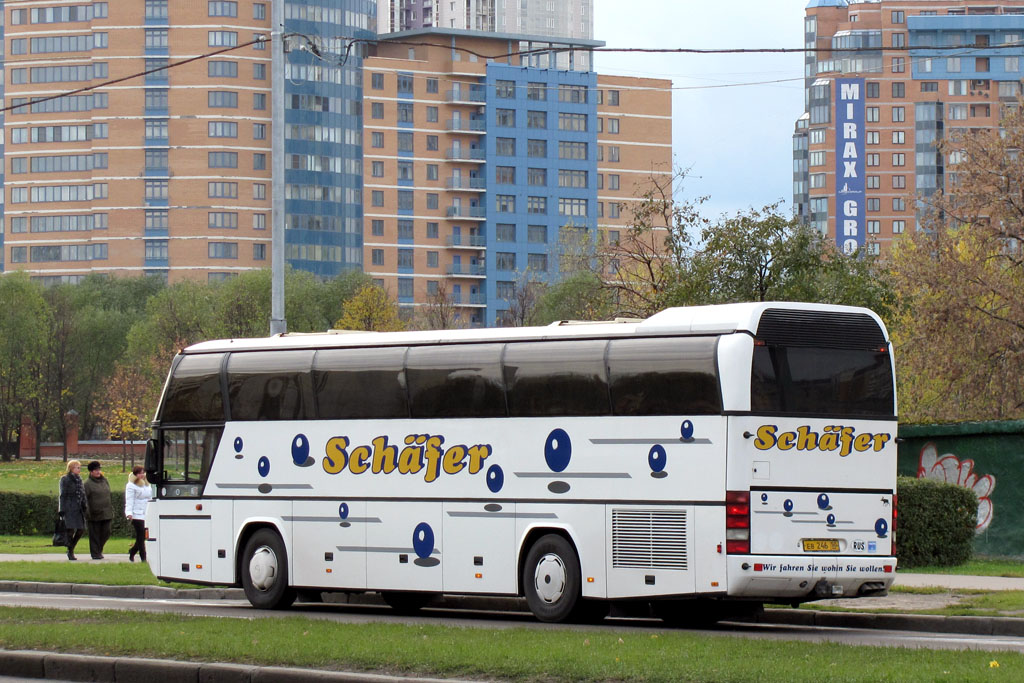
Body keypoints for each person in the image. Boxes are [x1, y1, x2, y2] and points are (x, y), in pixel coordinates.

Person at [58, 460, 88, 561]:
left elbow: (82, 494)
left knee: (81, 529)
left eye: (79, 467)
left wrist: (84, 505)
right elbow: (62, 495)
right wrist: (61, 509)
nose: (79, 469)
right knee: (70, 529)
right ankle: (70, 551)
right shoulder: (65, 479)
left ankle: (71, 547)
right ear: (71, 468)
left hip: (78, 508)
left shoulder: (79, 480)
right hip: (69, 507)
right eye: (77, 467)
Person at [83, 461, 113, 560]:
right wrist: (87, 512)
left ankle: (99, 549)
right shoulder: (87, 484)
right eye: (96, 470)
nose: (98, 472)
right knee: (94, 535)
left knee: (106, 532)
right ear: (91, 472)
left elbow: (109, 495)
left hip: (106, 512)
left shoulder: (105, 481)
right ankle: (95, 553)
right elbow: (85, 499)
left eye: (99, 469)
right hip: (94, 514)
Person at [124, 465, 153, 562]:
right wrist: (129, 513)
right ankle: (143, 557)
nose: (142, 475)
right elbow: (129, 500)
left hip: (146, 513)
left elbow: (150, 498)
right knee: (140, 536)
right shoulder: (131, 485)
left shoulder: (147, 484)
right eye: (139, 473)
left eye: (143, 473)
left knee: (142, 536)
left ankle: (132, 551)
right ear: (135, 474)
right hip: (136, 514)